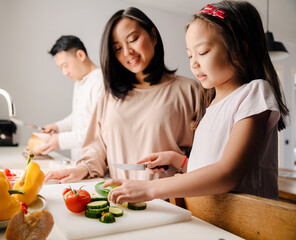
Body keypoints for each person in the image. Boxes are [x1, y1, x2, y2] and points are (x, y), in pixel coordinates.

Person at [103, 0, 289, 202]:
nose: (194, 63)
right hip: (212, 221)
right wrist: (178, 160)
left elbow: (227, 174)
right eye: (190, 55)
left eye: (202, 53)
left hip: (249, 225)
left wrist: (150, 188)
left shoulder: (254, 93)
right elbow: (206, 171)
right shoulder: (211, 106)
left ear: (240, 50)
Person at [44, 7, 199, 183]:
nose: (127, 52)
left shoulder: (189, 91)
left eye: (133, 39)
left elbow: (205, 163)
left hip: (167, 204)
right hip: (119, 202)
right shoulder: (109, 96)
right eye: (117, 48)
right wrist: (82, 169)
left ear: (153, 36)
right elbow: (97, 147)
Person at [39, 35, 103, 161]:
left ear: (80, 55)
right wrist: (58, 127)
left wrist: (61, 141)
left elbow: (98, 131)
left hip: (97, 164)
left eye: (65, 65)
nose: (64, 73)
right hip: (80, 163)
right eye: (60, 68)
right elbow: (78, 116)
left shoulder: (100, 82)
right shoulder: (79, 82)